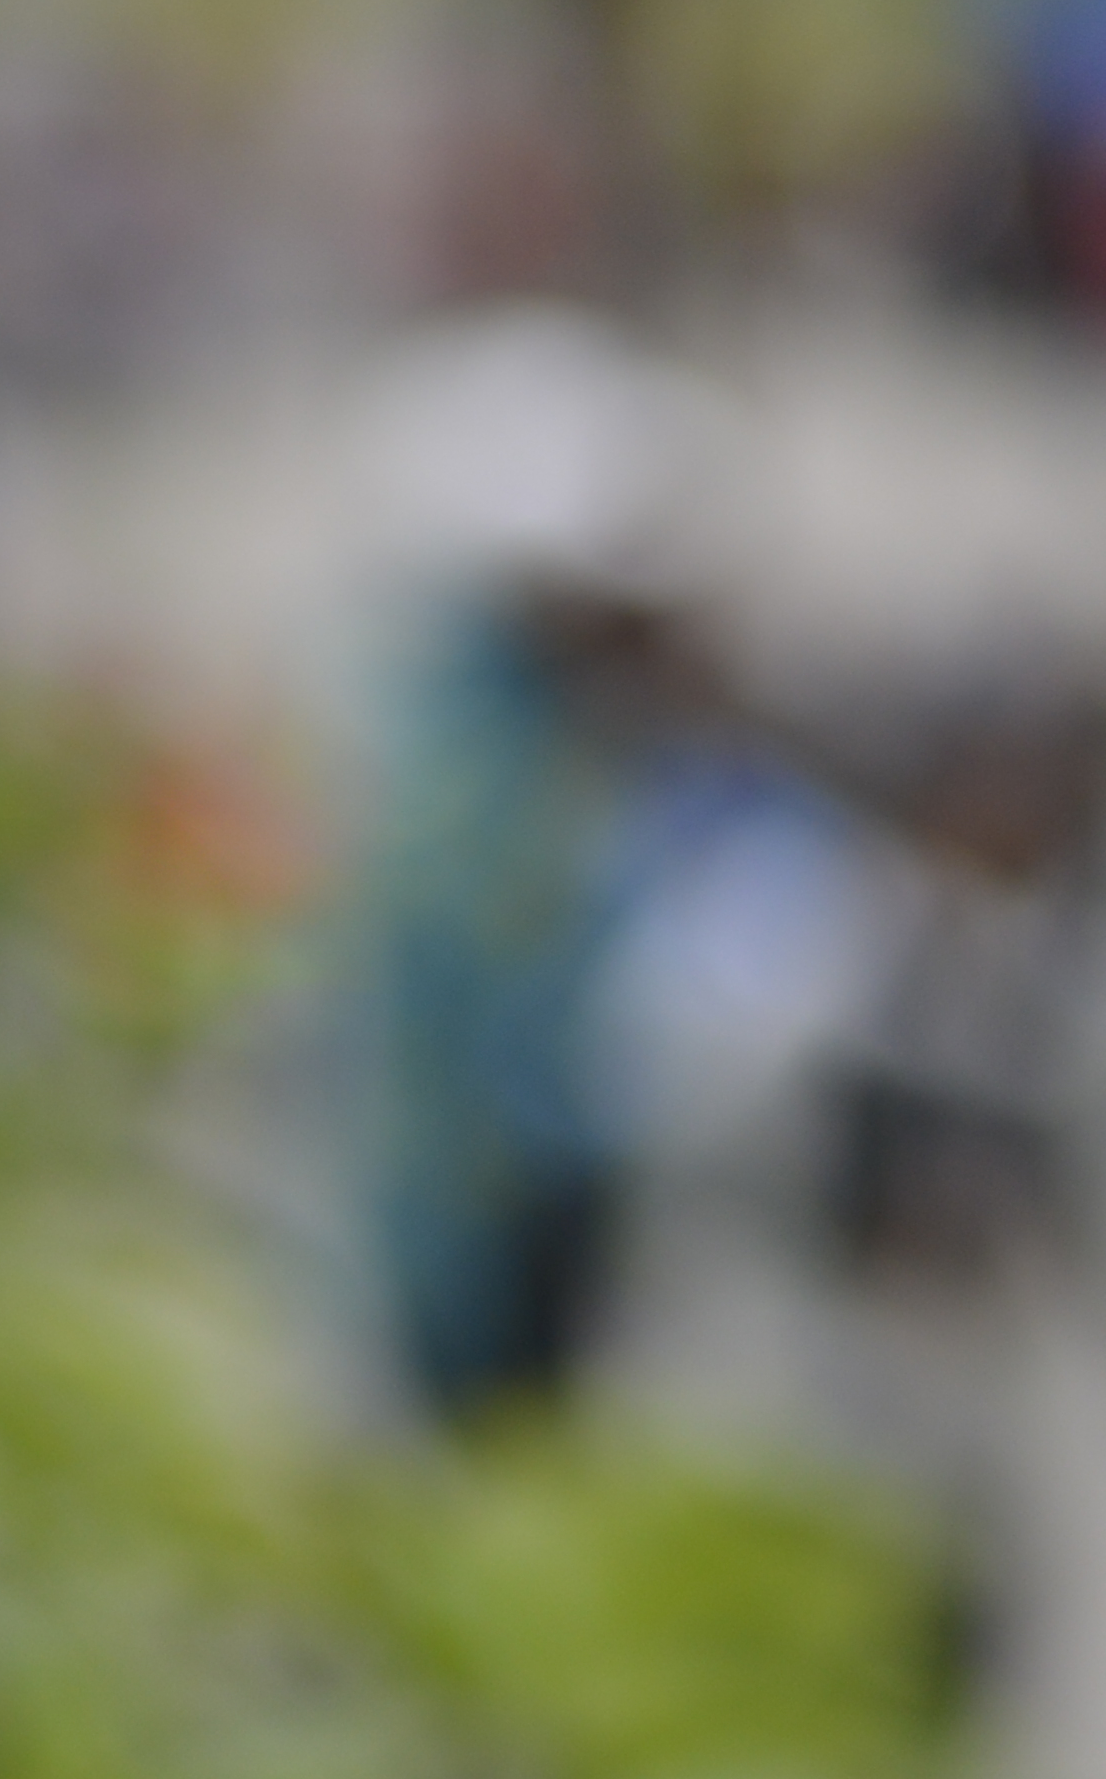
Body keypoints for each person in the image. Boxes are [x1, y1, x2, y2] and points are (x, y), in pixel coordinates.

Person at [333, 310, 716, 1419]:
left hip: (514, 1179)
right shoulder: (475, 748)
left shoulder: (509, 716)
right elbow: (464, 1017)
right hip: (481, 1206)